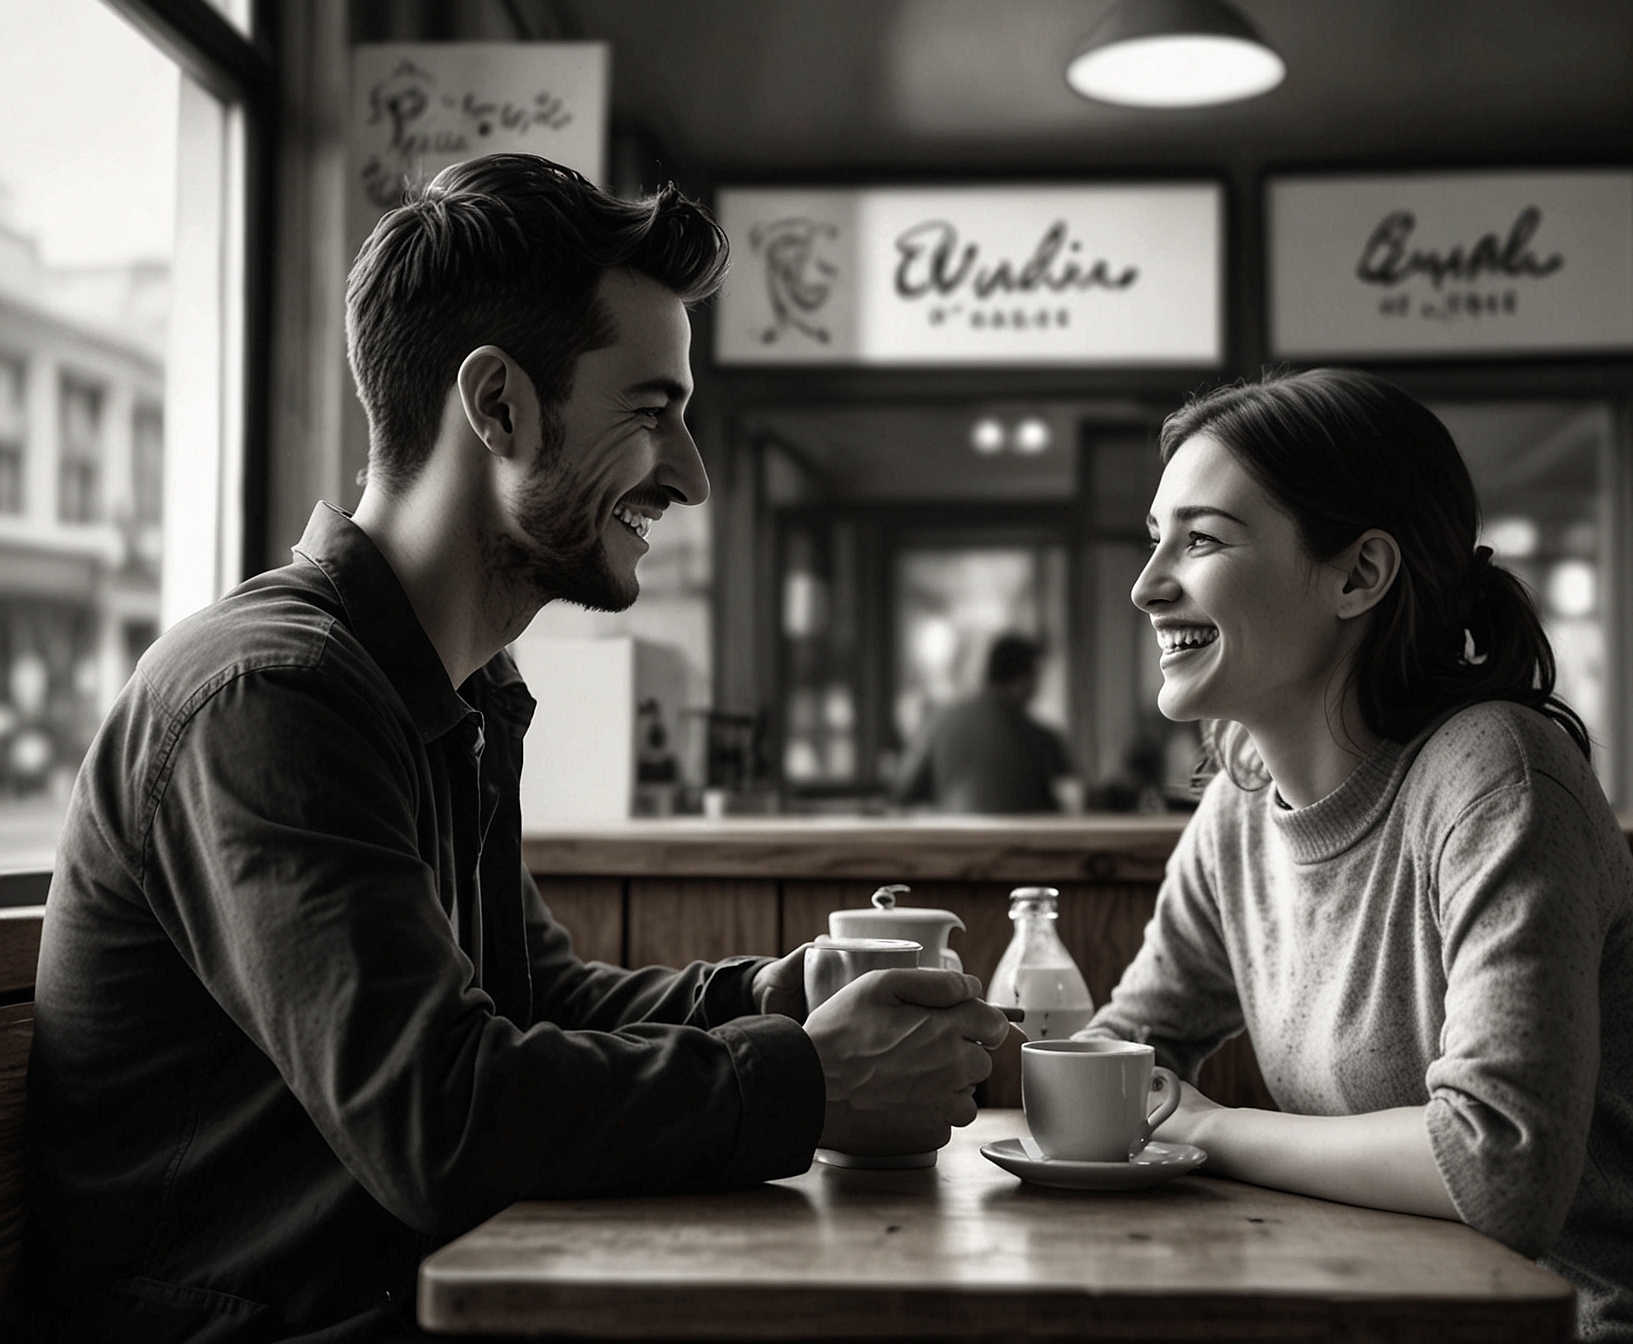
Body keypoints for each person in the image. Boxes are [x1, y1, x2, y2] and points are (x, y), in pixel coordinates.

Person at [23, 155, 1008, 1342]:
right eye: (653, 413)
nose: (690, 475)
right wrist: (809, 1079)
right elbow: (438, 1119)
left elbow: (535, 999)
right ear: (497, 407)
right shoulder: (268, 696)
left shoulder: (456, 687)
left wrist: (774, 992)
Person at [1086, 369, 1633, 1344]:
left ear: (1358, 575)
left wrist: (1202, 1126)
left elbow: (1498, 1164)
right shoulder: (1239, 802)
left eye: (1202, 539)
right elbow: (1122, 1055)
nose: (1146, 587)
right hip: (1374, 1299)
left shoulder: (1495, 774)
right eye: (1153, 540)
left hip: (1595, 1324)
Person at [894, 635, 1076, 814]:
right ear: (1022, 680)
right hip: (1021, 841)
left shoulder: (941, 720)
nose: (1038, 688)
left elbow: (904, 792)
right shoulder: (1040, 737)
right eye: (1036, 677)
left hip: (956, 840)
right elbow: (1068, 802)